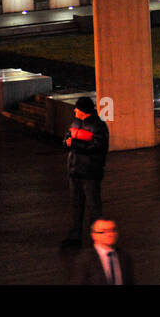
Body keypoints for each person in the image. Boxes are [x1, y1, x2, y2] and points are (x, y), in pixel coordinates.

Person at [62, 96, 110, 248]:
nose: (74, 110)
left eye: (77, 108)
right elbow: (67, 138)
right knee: (76, 205)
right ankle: (74, 237)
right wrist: (67, 142)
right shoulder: (76, 122)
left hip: (90, 172)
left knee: (93, 205)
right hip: (75, 170)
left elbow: (98, 147)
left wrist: (74, 143)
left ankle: (98, 237)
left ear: (84, 111)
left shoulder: (98, 126)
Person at [71, 219, 135, 285]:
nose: (110, 234)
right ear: (93, 235)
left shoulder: (124, 257)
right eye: (103, 231)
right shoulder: (84, 259)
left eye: (113, 230)